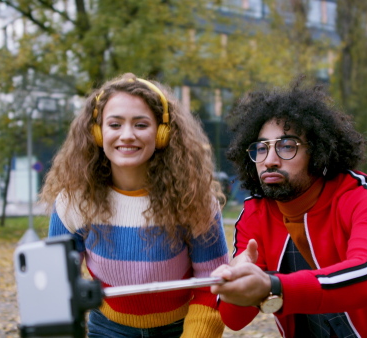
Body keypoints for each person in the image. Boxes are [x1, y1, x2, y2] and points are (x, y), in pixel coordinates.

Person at [210, 77, 367, 337]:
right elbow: (233, 320)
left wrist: (275, 286)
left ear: (317, 151)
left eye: (286, 146)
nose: (269, 160)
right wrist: (234, 283)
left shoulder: (364, 197)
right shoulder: (255, 213)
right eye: (261, 148)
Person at [40, 73, 229, 337]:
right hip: (106, 328)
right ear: (97, 132)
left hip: (180, 328)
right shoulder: (72, 201)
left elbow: (212, 285)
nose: (127, 135)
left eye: (141, 125)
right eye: (114, 124)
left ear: (162, 133)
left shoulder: (194, 200)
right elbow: (56, 286)